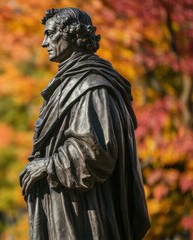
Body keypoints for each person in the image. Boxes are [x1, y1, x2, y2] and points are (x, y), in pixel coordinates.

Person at [19, 8, 150, 240]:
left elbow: (95, 152)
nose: (43, 42)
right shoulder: (70, 83)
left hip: (84, 213)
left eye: (50, 34)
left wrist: (47, 165)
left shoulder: (91, 85)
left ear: (71, 34)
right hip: (67, 206)